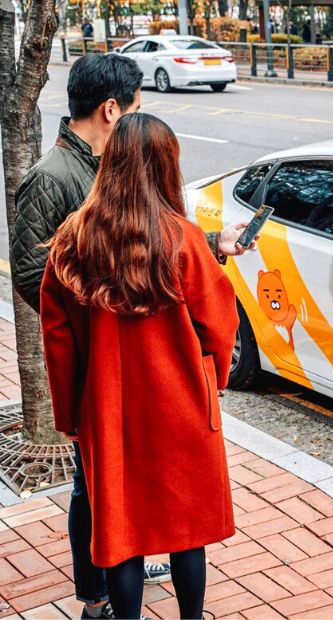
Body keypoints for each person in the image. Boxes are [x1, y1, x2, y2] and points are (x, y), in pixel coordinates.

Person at [12, 53, 253, 620]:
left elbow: (57, 333)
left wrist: (71, 411)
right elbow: (221, 323)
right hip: (178, 402)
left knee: (116, 524)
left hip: (107, 402)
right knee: (186, 524)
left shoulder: (74, 240)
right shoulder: (182, 238)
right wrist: (210, 381)